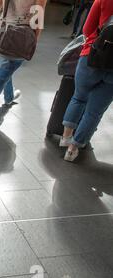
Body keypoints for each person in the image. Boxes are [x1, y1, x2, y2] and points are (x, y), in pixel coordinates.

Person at [0, 0, 48, 122]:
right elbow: (38, 16)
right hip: (22, 35)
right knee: (5, 71)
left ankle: (9, 96)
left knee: (6, 66)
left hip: (4, 31)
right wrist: (34, 41)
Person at [61, 0, 113, 162]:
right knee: (94, 111)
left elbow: (87, 29)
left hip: (92, 55)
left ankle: (65, 137)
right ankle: (73, 149)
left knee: (79, 97)